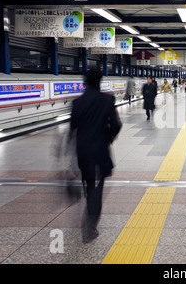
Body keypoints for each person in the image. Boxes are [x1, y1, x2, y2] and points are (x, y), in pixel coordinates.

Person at [70, 69, 122, 243]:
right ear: (100, 81)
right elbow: (116, 125)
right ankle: (90, 226)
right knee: (97, 191)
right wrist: (108, 138)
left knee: (89, 185)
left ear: (84, 82)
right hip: (100, 151)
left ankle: (89, 216)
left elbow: (72, 129)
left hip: (83, 152)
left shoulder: (77, 103)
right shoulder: (107, 100)